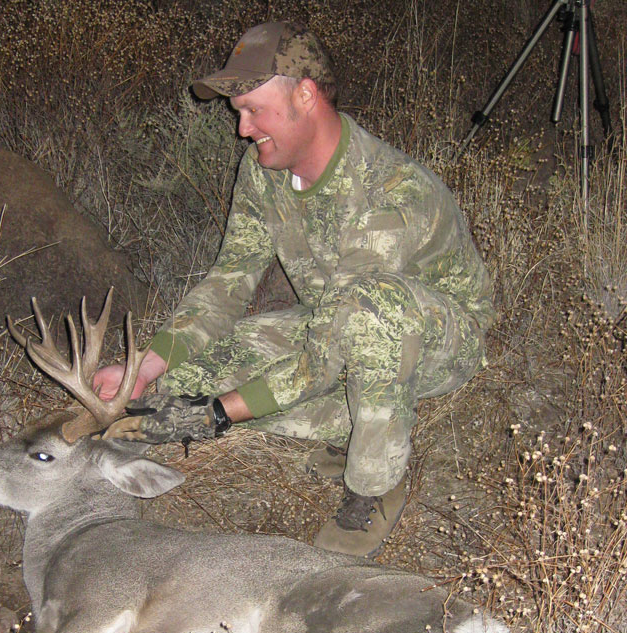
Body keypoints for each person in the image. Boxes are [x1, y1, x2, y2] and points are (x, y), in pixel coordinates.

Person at [97, 21, 492, 558]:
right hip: (335, 323)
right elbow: (228, 281)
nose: (242, 128)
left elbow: (331, 346)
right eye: (238, 112)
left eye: (253, 109)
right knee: (177, 387)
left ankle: (374, 482)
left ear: (305, 95)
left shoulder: (392, 193)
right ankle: (354, 420)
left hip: (435, 341)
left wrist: (219, 413)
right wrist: (149, 365)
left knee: (366, 315)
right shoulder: (266, 173)